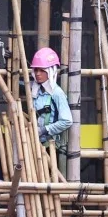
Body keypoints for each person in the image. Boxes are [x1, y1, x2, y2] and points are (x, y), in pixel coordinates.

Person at [30, 47, 73, 175]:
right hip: (33, 143)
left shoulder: (57, 93)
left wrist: (44, 130)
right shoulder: (34, 90)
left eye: (42, 70)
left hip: (50, 147)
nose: (38, 73)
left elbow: (67, 121)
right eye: (36, 70)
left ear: (51, 71)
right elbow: (12, 88)